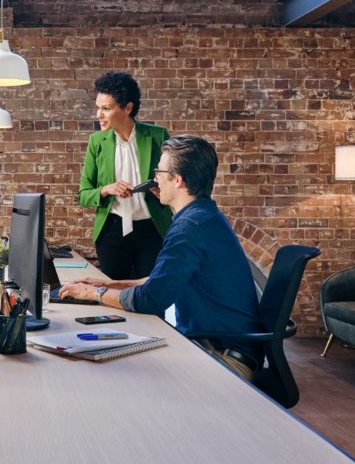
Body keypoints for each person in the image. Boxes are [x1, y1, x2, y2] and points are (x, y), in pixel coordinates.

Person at [61, 135, 263, 380]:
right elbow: (161, 281)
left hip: (224, 358)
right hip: (224, 346)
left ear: (177, 180)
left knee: (115, 371)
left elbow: (151, 299)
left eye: (159, 171)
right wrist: (109, 285)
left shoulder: (189, 228)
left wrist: (93, 294)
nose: (154, 178)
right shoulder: (202, 215)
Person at [77, 71, 172, 280]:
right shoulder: (97, 142)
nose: (98, 115)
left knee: (151, 297)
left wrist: (162, 191)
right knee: (112, 296)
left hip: (152, 229)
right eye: (98, 108)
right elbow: (83, 195)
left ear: (128, 108)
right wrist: (107, 189)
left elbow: (176, 181)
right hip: (112, 230)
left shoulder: (158, 136)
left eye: (106, 109)